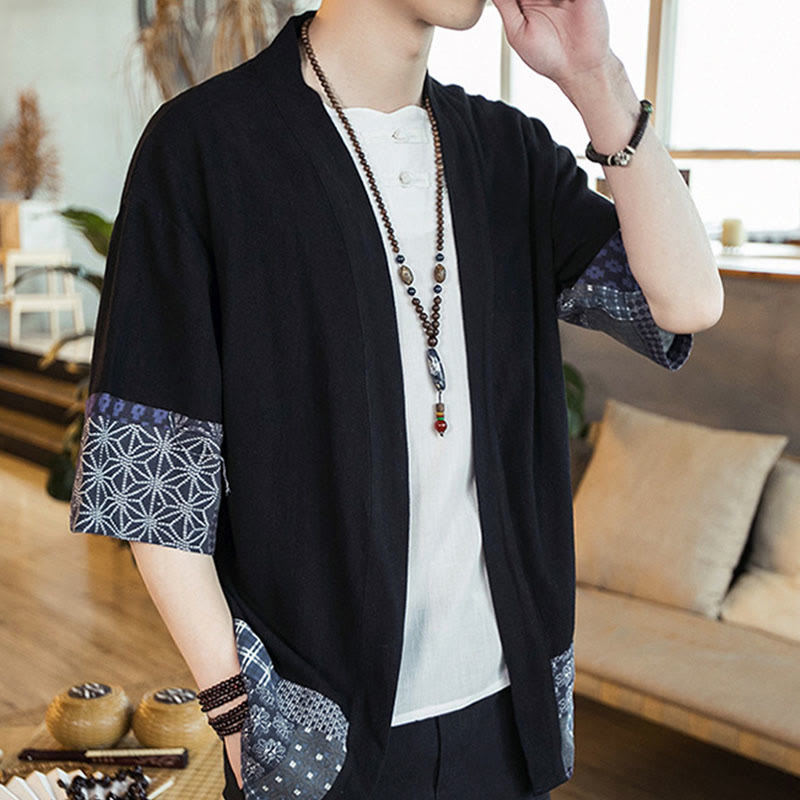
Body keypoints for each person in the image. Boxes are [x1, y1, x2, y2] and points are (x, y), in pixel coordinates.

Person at [69, 1, 723, 798]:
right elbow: (150, 480)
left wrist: (595, 76)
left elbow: (685, 303)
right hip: (318, 734)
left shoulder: (505, 150)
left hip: (507, 721)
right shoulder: (206, 145)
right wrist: (241, 715)